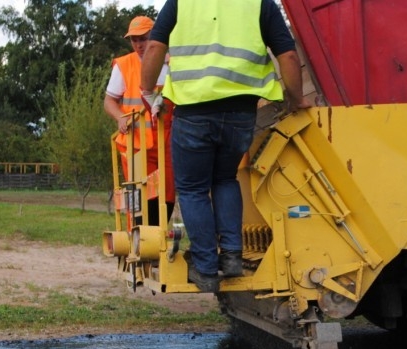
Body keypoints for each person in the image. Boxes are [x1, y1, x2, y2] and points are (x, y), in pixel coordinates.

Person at [140, 0, 310, 293]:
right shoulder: (259, 3)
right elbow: (289, 56)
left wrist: (146, 89)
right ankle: (231, 256)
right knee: (225, 179)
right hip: (240, 113)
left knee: (193, 189)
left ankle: (205, 267)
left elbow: (154, 48)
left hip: (193, 110)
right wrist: (296, 99)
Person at [104, 16, 175, 227]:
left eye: (143, 38)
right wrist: (119, 118)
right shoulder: (124, 65)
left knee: (167, 194)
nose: (138, 44)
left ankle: (156, 240)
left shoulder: (171, 64)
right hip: (136, 145)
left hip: (167, 141)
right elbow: (109, 101)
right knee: (139, 197)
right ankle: (139, 242)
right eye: (134, 40)